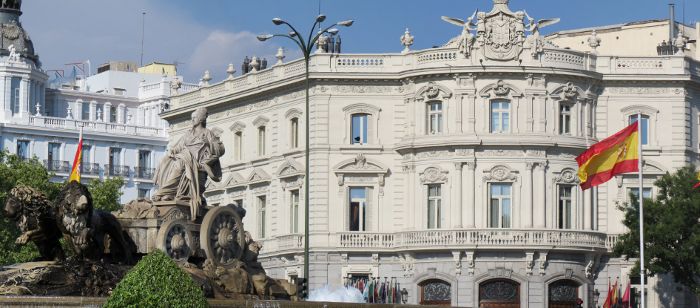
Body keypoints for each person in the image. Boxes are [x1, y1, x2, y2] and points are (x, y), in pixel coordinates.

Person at [152, 107, 224, 219]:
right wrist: (172, 151)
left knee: (180, 164)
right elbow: (179, 146)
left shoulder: (208, 134)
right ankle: (168, 193)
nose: (192, 120)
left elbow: (220, 150)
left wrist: (209, 145)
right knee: (165, 160)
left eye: (194, 118)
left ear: (200, 119)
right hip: (186, 159)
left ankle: (164, 192)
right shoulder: (188, 134)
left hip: (197, 164)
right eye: (192, 118)